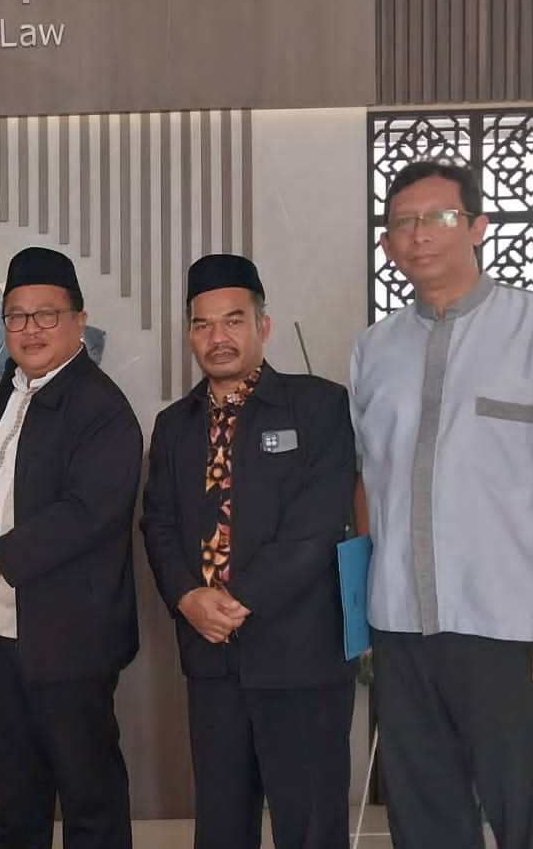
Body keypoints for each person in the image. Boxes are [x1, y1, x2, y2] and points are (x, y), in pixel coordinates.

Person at [351, 160, 533, 849]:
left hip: (512, 625)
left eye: (439, 217)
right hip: (403, 628)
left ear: (477, 226)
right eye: (403, 223)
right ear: (387, 242)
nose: (419, 235)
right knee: (425, 819)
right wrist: (368, 607)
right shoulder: (374, 351)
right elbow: (368, 483)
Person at [141, 253, 357, 849]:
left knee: (310, 824)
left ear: (263, 325)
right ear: (190, 334)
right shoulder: (174, 425)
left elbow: (316, 525)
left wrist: (237, 599)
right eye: (203, 324)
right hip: (210, 654)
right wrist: (187, 597)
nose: (218, 337)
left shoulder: (319, 406)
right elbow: (157, 523)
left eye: (233, 320)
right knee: (221, 822)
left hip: (299, 651)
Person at [0, 246, 143, 849]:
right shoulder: (9, 390)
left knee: (88, 793)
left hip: (71, 632)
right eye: (17, 316)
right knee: (15, 787)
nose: (31, 329)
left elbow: (87, 513)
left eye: (47, 314)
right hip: (4, 623)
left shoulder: (101, 407)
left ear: (80, 320)